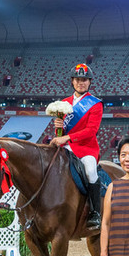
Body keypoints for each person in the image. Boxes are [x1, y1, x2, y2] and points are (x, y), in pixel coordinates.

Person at [51, 63, 103, 229]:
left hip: (86, 148)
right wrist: (58, 127)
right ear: (72, 81)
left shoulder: (95, 104)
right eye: (78, 80)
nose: (81, 83)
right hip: (66, 146)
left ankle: (95, 213)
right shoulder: (64, 103)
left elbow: (91, 131)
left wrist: (66, 137)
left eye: (85, 80)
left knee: (90, 171)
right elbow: (62, 131)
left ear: (89, 82)